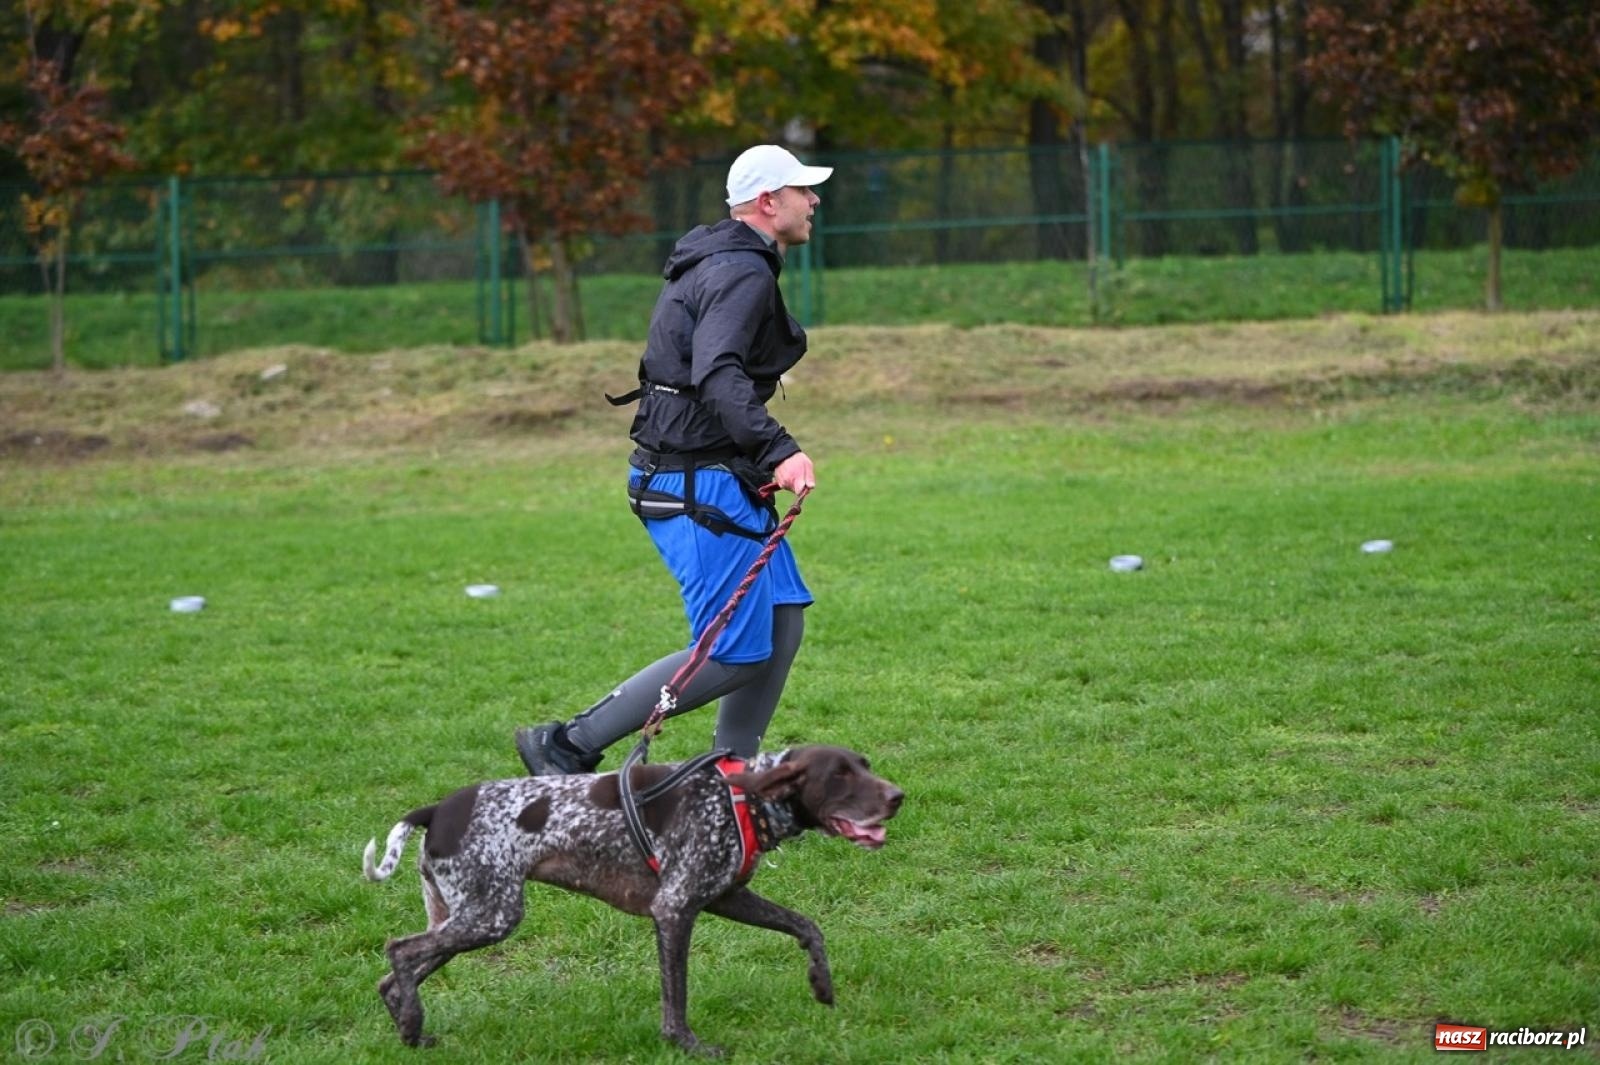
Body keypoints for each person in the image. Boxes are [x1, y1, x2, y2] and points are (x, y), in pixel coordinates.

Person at [515, 144, 832, 776]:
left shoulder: (728, 260)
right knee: (733, 652)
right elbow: (716, 370)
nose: (814, 200)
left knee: (782, 616)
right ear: (769, 203)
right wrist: (780, 448)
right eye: (803, 190)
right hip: (694, 482)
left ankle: (731, 776)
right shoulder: (739, 271)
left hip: (710, 472)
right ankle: (567, 744)